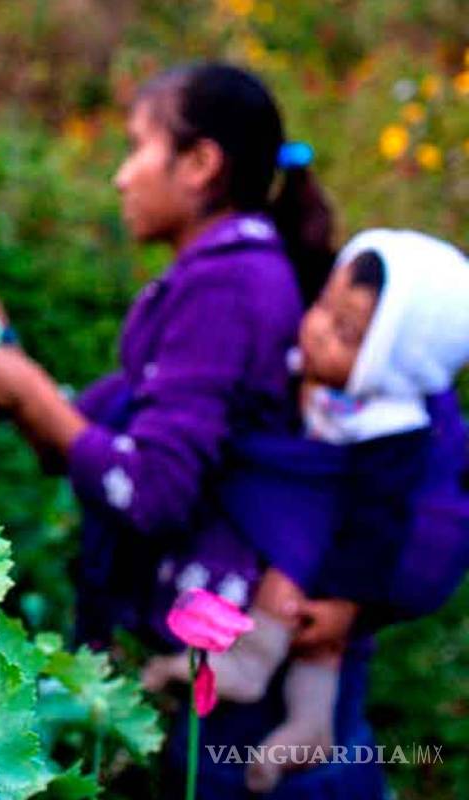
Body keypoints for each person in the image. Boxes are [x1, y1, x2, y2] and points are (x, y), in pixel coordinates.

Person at [0, 62, 387, 798]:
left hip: (238, 710)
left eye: (137, 147)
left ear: (200, 164)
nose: (119, 176)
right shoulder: (223, 273)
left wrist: (29, 389)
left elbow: (150, 489)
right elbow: (91, 432)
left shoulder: (228, 285)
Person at [144, 229, 469, 792]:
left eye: (345, 332)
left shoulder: (393, 429)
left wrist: (344, 600)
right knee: (310, 619)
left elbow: (378, 524)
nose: (318, 330)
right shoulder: (314, 377)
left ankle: (264, 681)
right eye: (322, 306)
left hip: (340, 566)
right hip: (318, 549)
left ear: (398, 359)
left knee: (300, 601)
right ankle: (309, 723)